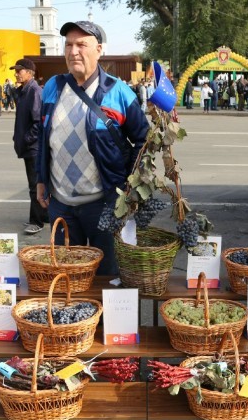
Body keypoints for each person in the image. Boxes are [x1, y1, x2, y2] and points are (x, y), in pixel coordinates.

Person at [36, 20, 149, 275]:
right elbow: (44, 138)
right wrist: (41, 179)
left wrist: (130, 186)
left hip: (104, 204)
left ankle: (104, 318)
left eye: (81, 44)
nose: (73, 51)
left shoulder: (118, 92)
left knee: (107, 277)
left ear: (99, 49)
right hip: (61, 204)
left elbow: (144, 140)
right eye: (68, 45)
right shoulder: (53, 87)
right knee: (67, 277)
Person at [10, 59, 47, 234]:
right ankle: (44, 215)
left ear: (30, 73)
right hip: (28, 146)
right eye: (16, 70)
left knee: (35, 185)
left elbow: (38, 122)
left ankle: (37, 221)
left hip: (34, 147)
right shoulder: (24, 91)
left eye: (20, 70)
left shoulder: (34, 91)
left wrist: (26, 139)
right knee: (38, 183)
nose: (16, 73)